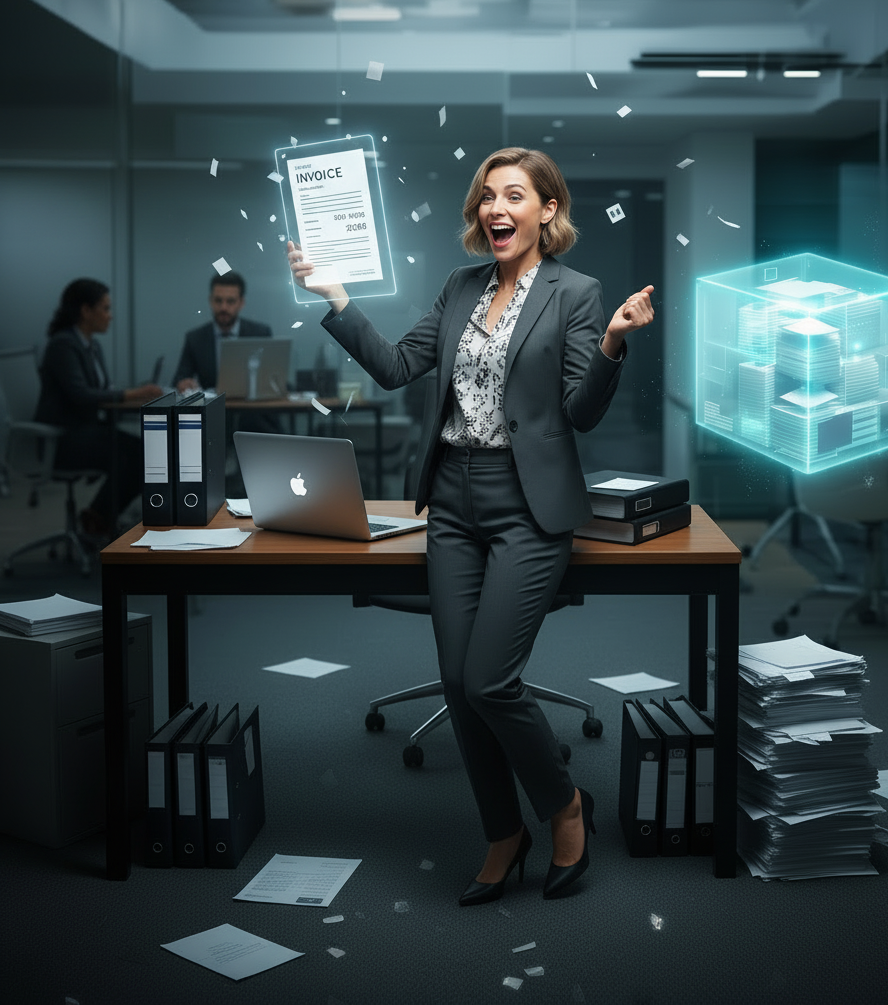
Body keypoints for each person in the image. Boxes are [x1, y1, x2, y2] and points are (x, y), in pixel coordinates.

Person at [289, 147, 654, 904]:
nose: (496, 208)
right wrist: (336, 296)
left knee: (490, 679)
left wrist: (614, 342)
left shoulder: (577, 293)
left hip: (528, 505)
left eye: (514, 195)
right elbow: (394, 367)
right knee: (458, 685)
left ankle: (562, 807)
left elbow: (580, 412)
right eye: (487, 196)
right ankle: (502, 831)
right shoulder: (459, 288)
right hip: (452, 501)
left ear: (546, 211)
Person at [34, 278, 163, 536]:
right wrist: (133, 393)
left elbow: (101, 391)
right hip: (64, 439)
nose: (110, 316)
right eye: (105, 308)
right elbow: (81, 395)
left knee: (145, 452)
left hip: (87, 432)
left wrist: (133, 395)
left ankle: (98, 518)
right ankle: (99, 519)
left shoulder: (91, 345)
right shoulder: (63, 345)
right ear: (85, 311)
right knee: (136, 456)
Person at [173, 271, 272, 392]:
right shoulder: (195, 339)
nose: (223, 307)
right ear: (210, 301)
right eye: (218, 301)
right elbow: (179, 379)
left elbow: (272, 378)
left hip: (251, 408)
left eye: (230, 301)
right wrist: (184, 383)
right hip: (211, 408)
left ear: (241, 303)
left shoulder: (260, 334)